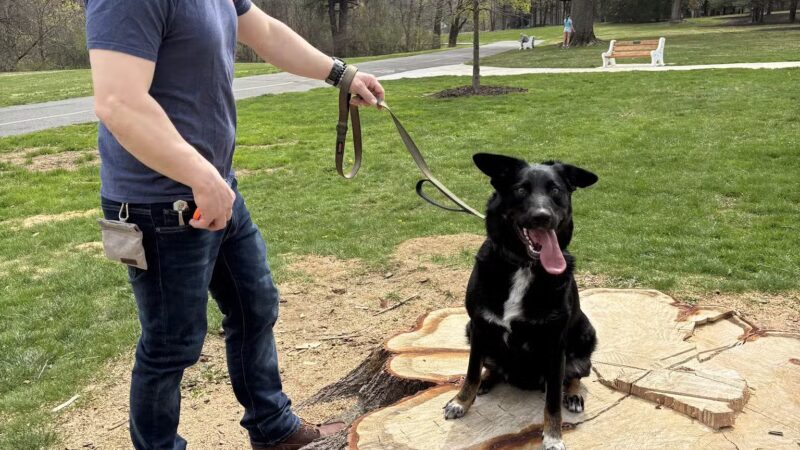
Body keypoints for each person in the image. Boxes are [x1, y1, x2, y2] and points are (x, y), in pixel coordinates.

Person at [84, 1, 385, 449]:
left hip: (214, 187)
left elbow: (264, 31)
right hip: (161, 206)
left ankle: (272, 428)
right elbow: (118, 102)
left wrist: (341, 74)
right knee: (171, 345)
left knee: (255, 305)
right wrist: (200, 175)